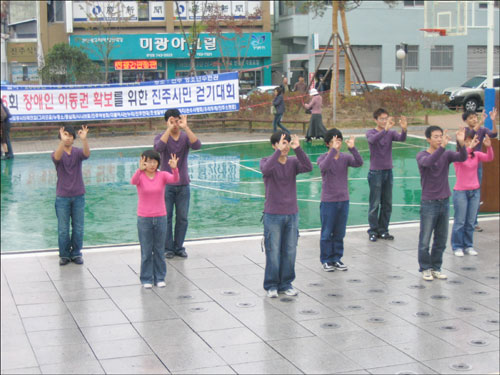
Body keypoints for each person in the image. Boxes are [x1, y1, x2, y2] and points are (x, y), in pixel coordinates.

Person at [260, 132, 312, 298]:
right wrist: (278, 153)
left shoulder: (293, 162)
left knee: (290, 250)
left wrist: (298, 149)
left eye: (287, 143)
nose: (285, 147)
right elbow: (266, 170)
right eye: (282, 143)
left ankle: (286, 284)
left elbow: (308, 167)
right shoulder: (267, 161)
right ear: (274, 145)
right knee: (273, 251)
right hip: (272, 214)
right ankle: (271, 285)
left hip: (292, 213)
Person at [417, 126, 466, 281]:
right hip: (429, 203)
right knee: (425, 239)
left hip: (444, 201)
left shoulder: (446, 154)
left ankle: (436, 267)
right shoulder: (422, 155)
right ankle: (425, 268)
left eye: (440, 136)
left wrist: (462, 143)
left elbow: (462, 157)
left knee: (441, 238)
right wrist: (443, 146)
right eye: (436, 137)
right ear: (428, 139)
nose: (439, 139)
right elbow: (429, 163)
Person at [154, 109, 201, 259]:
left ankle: (179, 246)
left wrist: (186, 127)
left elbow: (197, 145)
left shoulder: (185, 137)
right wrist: (168, 130)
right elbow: (158, 148)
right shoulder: (161, 137)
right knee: (166, 217)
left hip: (183, 183)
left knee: (182, 217)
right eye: (171, 121)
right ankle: (167, 248)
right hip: (166, 185)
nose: (175, 124)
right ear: (167, 121)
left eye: (177, 120)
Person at [131, 150, 179, 288]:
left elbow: (175, 179)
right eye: (148, 161)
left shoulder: (162, 175)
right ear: (143, 162)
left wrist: (174, 169)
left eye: (154, 161)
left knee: (159, 249)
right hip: (144, 218)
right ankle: (146, 278)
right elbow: (133, 181)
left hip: (160, 216)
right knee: (146, 250)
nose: (152, 164)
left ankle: (159, 277)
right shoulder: (140, 176)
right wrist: (139, 171)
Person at [317, 128, 363, 272]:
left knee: (339, 232)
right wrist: (332, 152)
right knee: (326, 232)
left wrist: (353, 148)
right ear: (327, 144)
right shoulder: (323, 157)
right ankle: (326, 260)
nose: (336, 145)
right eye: (332, 142)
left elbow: (359, 162)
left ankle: (336, 258)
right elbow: (323, 167)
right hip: (328, 201)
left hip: (343, 200)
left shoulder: (345, 157)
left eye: (338, 142)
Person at [366, 108, 407, 242]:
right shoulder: (371, 132)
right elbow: (372, 141)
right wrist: (385, 130)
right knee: (374, 204)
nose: (384, 121)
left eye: (386, 118)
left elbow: (401, 139)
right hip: (375, 172)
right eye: (382, 119)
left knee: (387, 203)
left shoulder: (391, 133)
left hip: (388, 171)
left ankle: (383, 230)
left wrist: (404, 129)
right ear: (375, 120)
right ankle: (373, 230)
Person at [52, 125, 90, 266]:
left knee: (78, 227)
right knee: (63, 229)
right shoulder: (57, 153)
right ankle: (64, 254)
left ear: (74, 138)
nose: (68, 137)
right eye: (65, 135)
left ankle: (76, 253)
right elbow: (56, 157)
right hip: (62, 196)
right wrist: (62, 142)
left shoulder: (77, 152)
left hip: (78, 195)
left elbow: (86, 154)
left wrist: (84, 140)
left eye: (70, 135)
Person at [451, 133, 494, 257]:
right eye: (467, 141)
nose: (470, 143)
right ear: (460, 143)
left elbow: (489, 158)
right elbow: (463, 157)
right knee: (460, 221)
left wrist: (489, 147)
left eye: (471, 141)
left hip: (474, 191)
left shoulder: (476, 155)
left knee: (470, 222)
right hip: (461, 192)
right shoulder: (456, 156)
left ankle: (468, 245)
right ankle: (457, 246)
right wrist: (469, 148)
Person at [462, 108, 498, 232]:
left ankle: (473, 222)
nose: (474, 119)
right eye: (471, 118)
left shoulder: (482, 129)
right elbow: (470, 135)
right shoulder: (465, 131)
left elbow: (494, 134)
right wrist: (481, 122)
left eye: (475, 117)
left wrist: (493, 121)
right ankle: (464, 221)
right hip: (465, 166)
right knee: (464, 194)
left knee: (476, 194)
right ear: (465, 121)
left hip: (477, 166)